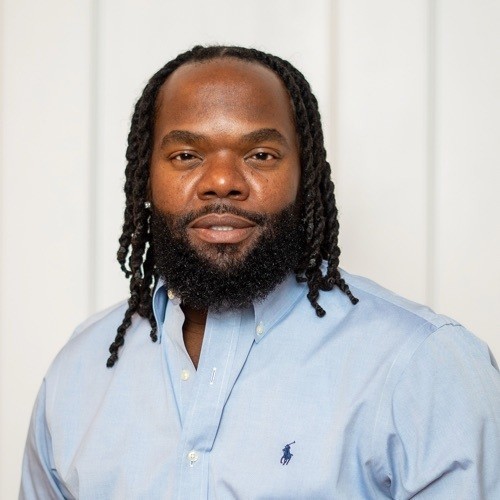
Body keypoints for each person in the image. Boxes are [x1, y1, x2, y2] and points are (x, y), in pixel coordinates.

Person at [20, 45, 499, 499]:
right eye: (186, 156)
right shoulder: (78, 373)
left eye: (260, 155)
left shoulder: (423, 367)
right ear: (146, 176)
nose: (222, 182)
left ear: (303, 175)